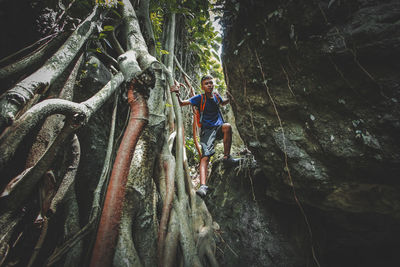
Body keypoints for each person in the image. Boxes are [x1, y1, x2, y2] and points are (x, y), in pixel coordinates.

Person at [171, 75, 239, 197]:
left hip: (218, 128)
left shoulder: (217, 96)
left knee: (227, 126)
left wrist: (232, 95)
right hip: (207, 131)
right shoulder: (199, 98)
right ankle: (203, 186)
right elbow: (182, 104)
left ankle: (227, 158)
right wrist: (176, 93)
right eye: (207, 83)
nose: (209, 85)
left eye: (211, 83)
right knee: (205, 157)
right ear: (202, 86)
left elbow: (223, 103)